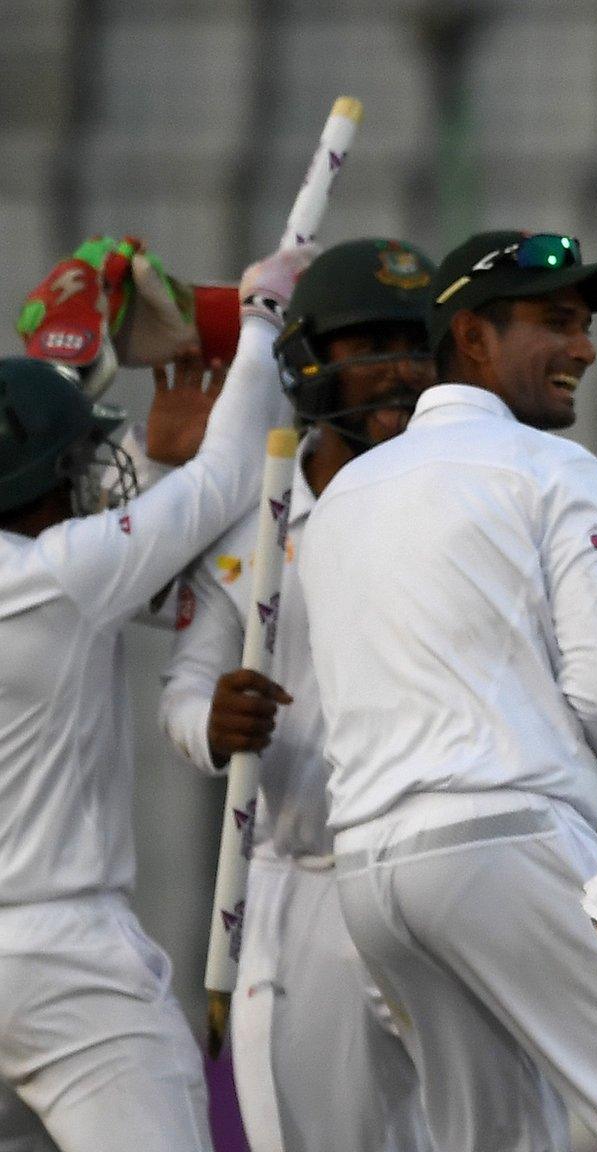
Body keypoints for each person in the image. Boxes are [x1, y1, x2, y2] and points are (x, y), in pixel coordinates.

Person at [296, 231, 597, 1152]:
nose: (585, 346)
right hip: (504, 841)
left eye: (586, 325)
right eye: (556, 322)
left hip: (372, 875)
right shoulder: (551, 468)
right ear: (471, 336)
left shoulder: (342, 496)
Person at [0, 244, 308, 1151]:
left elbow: (170, 580)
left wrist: (165, 456)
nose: (103, 472)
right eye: (83, 461)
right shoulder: (52, 577)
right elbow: (222, 490)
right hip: (62, 956)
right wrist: (258, 321)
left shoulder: (53, 579)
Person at [159, 238, 439, 1152]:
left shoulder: (462, 492)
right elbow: (185, 690)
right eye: (370, 347)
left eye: (414, 345)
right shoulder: (257, 517)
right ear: (313, 359)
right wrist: (212, 722)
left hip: (442, 874)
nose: (399, 372)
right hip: (303, 881)